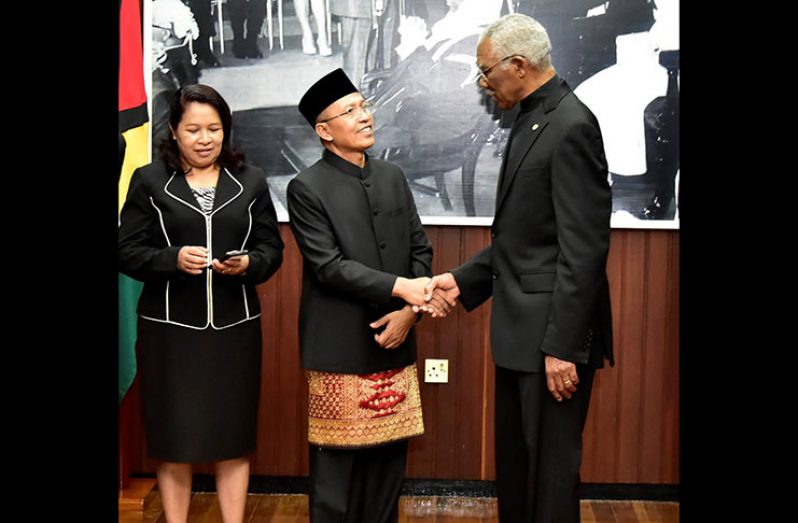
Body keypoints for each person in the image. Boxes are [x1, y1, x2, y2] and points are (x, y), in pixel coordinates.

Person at [421, 14, 613, 522]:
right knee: (518, 472)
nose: (483, 83)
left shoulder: (571, 125)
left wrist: (562, 348)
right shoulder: (533, 117)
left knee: (548, 482)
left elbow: (583, 249)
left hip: (550, 342)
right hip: (519, 336)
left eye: (487, 72)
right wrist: (460, 281)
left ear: (520, 65)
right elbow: (524, 239)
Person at [287, 68, 450, 522]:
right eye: (350, 111)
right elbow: (328, 267)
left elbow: (421, 248)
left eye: (364, 106)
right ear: (324, 131)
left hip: (396, 342)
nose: (365, 117)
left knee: (387, 470)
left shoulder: (394, 176)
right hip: (339, 349)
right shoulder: (306, 188)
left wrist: (408, 314)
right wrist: (403, 290)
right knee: (335, 478)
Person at [118, 84, 284, 523]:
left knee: (232, 438)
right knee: (174, 440)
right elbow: (127, 250)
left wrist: (249, 263)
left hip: (235, 331)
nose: (205, 138)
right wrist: (171, 259)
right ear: (173, 130)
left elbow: (273, 248)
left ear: (226, 131)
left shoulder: (250, 181)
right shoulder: (149, 180)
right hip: (169, 334)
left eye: (214, 128)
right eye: (193, 129)